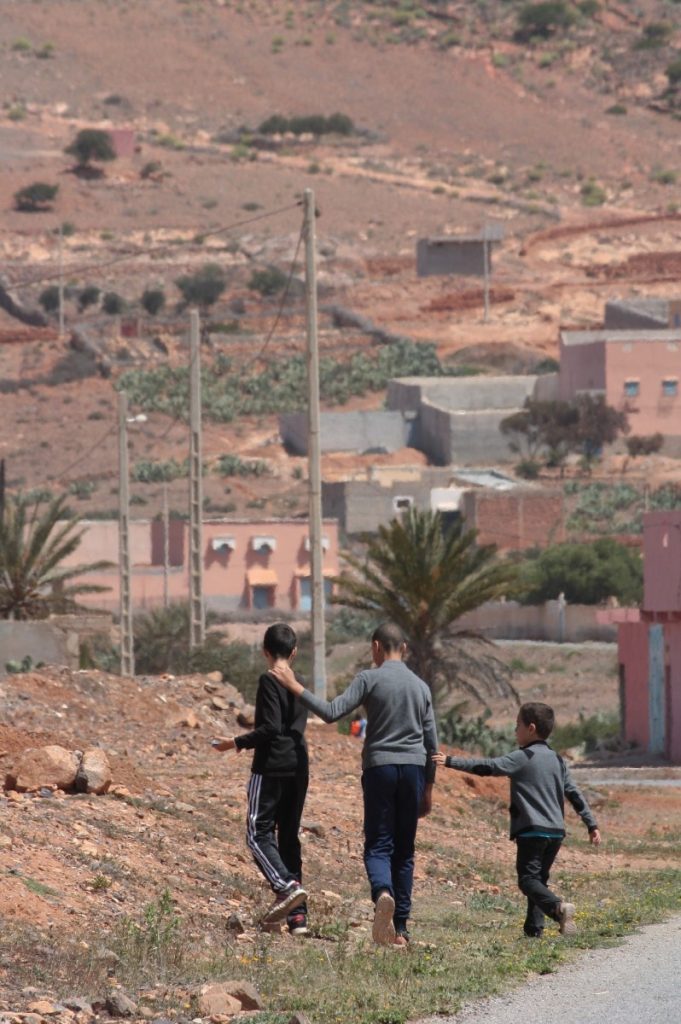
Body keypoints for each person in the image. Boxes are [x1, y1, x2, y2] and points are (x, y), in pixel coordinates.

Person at [272, 621, 438, 947]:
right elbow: (432, 744)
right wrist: (428, 789)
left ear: (376, 647)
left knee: (378, 844)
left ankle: (383, 892)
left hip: (380, 768)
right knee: (404, 850)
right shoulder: (421, 687)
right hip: (414, 770)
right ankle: (401, 929)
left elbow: (332, 712)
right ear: (403, 649)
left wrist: (294, 686)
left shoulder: (369, 679)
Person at [433, 701, 601, 938]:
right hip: (555, 832)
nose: (515, 730)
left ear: (531, 728)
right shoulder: (557, 759)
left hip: (532, 831)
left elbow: (488, 767)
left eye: (517, 725)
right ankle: (534, 931)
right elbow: (574, 793)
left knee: (527, 880)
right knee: (538, 881)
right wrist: (591, 824)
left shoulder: (523, 757)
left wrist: (450, 761)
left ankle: (558, 909)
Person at [212, 622, 309, 935]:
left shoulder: (268, 680)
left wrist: (235, 742)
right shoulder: (300, 682)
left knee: (257, 834)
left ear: (265, 651)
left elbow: (270, 728)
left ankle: (286, 886)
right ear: (294, 652)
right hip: (298, 766)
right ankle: (298, 919)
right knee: (289, 837)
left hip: (271, 768)